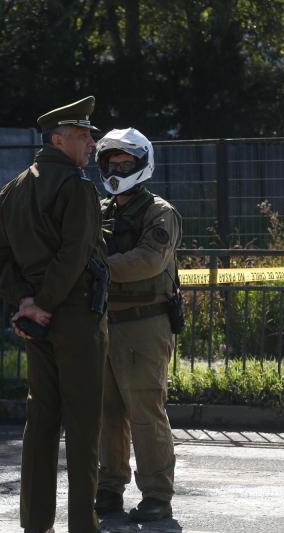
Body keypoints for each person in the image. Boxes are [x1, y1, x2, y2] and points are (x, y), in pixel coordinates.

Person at [0, 96, 109, 533]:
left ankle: (35, 522)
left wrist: (25, 302)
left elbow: (0, 261)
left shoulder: (13, 189)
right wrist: (45, 302)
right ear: (58, 139)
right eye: (83, 136)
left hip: (36, 323)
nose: (92, 143)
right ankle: (83, 524)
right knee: (82, 424)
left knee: (40, 421)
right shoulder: (77, 187)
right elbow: (75, 253)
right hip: (75, 315)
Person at [93, 127, 182, 522]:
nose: (117, 169)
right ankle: (108, 488)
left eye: (125, 163)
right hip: (105, 322)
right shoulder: (101, 209)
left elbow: (149, 260)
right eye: (111, 163)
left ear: (142, 165)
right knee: (106, 413)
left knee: (146, 412)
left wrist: (93, 270)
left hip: (145, 324)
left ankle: (157, 496)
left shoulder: (159, 212)